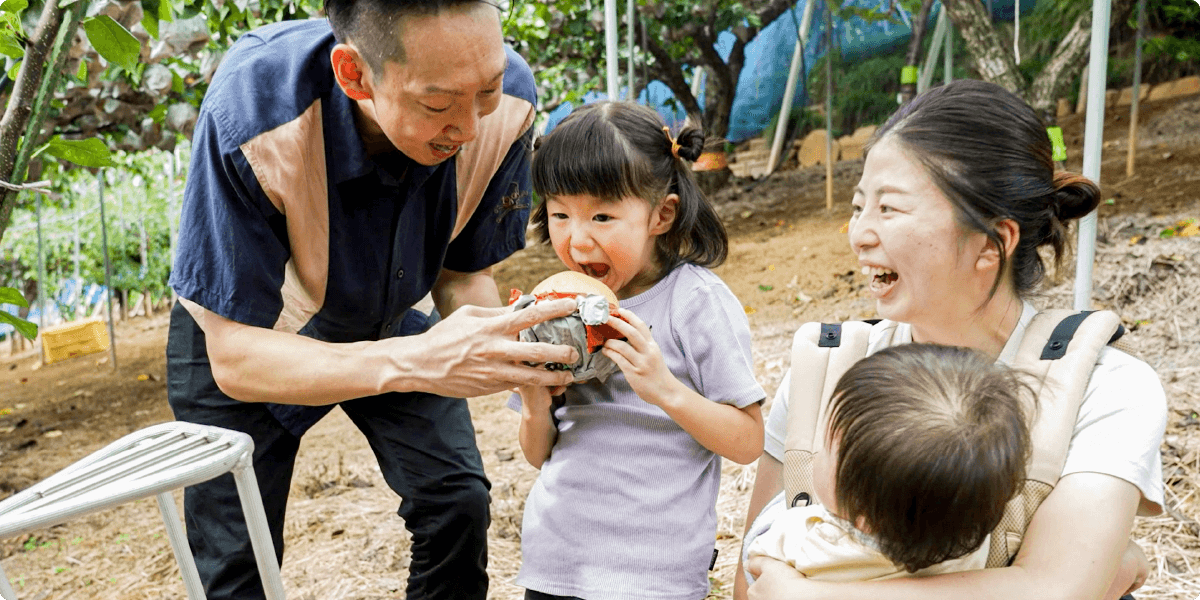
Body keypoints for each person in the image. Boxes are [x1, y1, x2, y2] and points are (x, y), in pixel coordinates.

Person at [165, 2, 582, 599]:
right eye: (438, 105)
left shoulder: (509, 102)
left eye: (485, 90)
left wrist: (513, 357)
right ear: (354, 75)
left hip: (396, 311)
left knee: (456, 503)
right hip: (257, 330)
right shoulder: (255, 111)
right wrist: (421, 361)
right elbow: (233, 358)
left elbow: (463, 275)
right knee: (238, 561)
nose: (467, 129)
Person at [737, 79, 1167, 600]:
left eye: (889, 209)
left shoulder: (1105, 388)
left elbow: (1058, 590)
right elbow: (750, 584)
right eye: (858, 207)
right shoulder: (826, 367)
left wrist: (806, 595)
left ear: (991, 243)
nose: (859, 233)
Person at [508, 101, 766, 600]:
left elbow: (747, 441)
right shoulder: (553, 308)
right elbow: (538, 455)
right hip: (556, 563)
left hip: (653, 577)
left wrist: (665, 390)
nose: (577, 239)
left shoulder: (694, 302)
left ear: (661, 215)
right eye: (560, 214)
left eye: (602, 215)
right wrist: (535, 398)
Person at [744, 343, 1032, 583]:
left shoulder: (807, 542)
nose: (816, 453)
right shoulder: (968, 543)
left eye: (826, 446)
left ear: (864, 519)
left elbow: (754, 558)